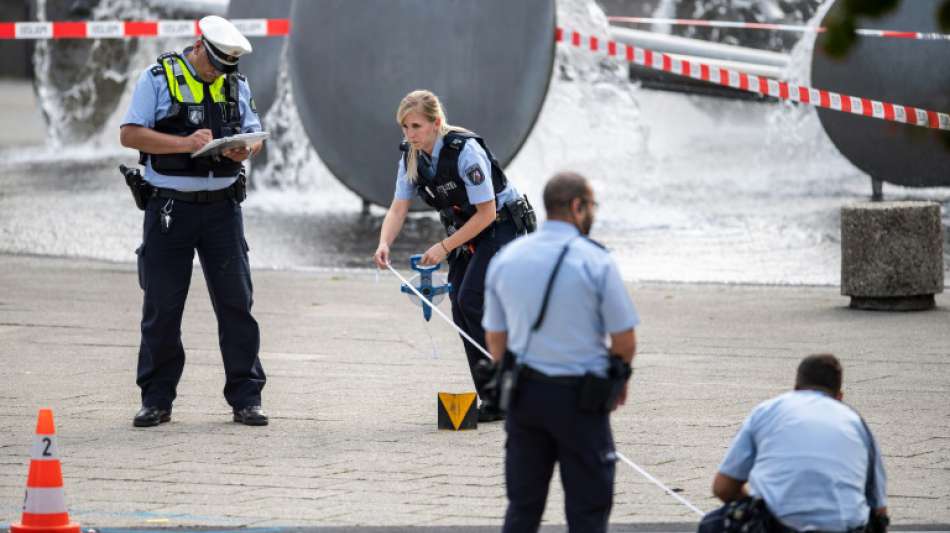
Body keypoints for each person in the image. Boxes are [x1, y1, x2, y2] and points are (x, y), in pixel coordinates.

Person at [119, 15, 268, 427]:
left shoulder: (236, 83)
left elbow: (254, 133)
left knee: (237, 304)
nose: (219, 73)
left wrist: (245, 149)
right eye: (215, 64)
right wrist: (184, 143)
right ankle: (156, 399)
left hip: (223, 209)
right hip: (170, 209)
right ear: (200, 45)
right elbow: (130, 134)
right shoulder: (159, 76)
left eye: (227, 67)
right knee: (163, 306)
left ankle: (247, 398)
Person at [482, 171, 639, 533]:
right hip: (580, 401)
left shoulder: (508, 258)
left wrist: (507, 371)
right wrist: (620, 377)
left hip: (525, 397)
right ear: (577, 206)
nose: (593, 214)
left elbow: (495, 335)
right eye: (592, 207)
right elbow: (624, 338)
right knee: (588, 509)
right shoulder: (595, 260)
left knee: (523, 506)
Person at [373, 89, 536, 422]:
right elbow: (398, 208)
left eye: (416, 126)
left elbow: (488, 213)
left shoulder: (466, 152)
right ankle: (494, 398)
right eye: (404, 127)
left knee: (471, 298)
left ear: (435, 123)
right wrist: (384, 243)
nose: (409, 135)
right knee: (461, 309)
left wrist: (444, 247)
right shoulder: (411, 157)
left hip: (501, 224)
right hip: (468, 230)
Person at [701, 354, 888, 533]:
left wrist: (756, 504)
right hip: (844, 528)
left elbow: (723, 488)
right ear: (839, 396)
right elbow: (879, 510)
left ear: (796, 387)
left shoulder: (767, 411)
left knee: (712, 524)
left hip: (778, 527)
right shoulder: (857, 423)